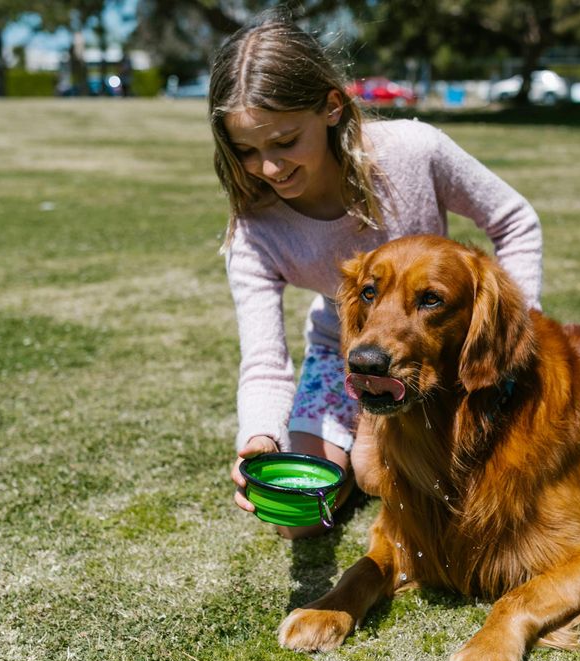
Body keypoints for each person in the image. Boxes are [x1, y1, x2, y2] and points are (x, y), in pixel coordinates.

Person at [212, 15, 543, 538]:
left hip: (434, 347)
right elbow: (265, 363)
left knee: (376, 471)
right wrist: (260, 438)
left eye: (284, 141)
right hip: (343, 352)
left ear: (331, 107)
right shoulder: (254, 232)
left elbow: (514, 220)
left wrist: (520, 321)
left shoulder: (414, 151)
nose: (270, 168)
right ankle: (352, 466)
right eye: (247, 152)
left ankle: (367, 465)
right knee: (295, 520)